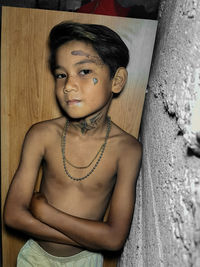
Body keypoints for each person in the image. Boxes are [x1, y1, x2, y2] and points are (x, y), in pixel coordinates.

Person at [4, 21, 142, 267]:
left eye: (85, 71)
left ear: (117, 80)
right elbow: (13, 215)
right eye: (61, 75)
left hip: (86, 261)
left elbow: (114, 239)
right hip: (34, 258)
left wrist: (46, 214)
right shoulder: (41, 135)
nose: (68, 86)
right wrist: (92, 238)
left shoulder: (127, 150)